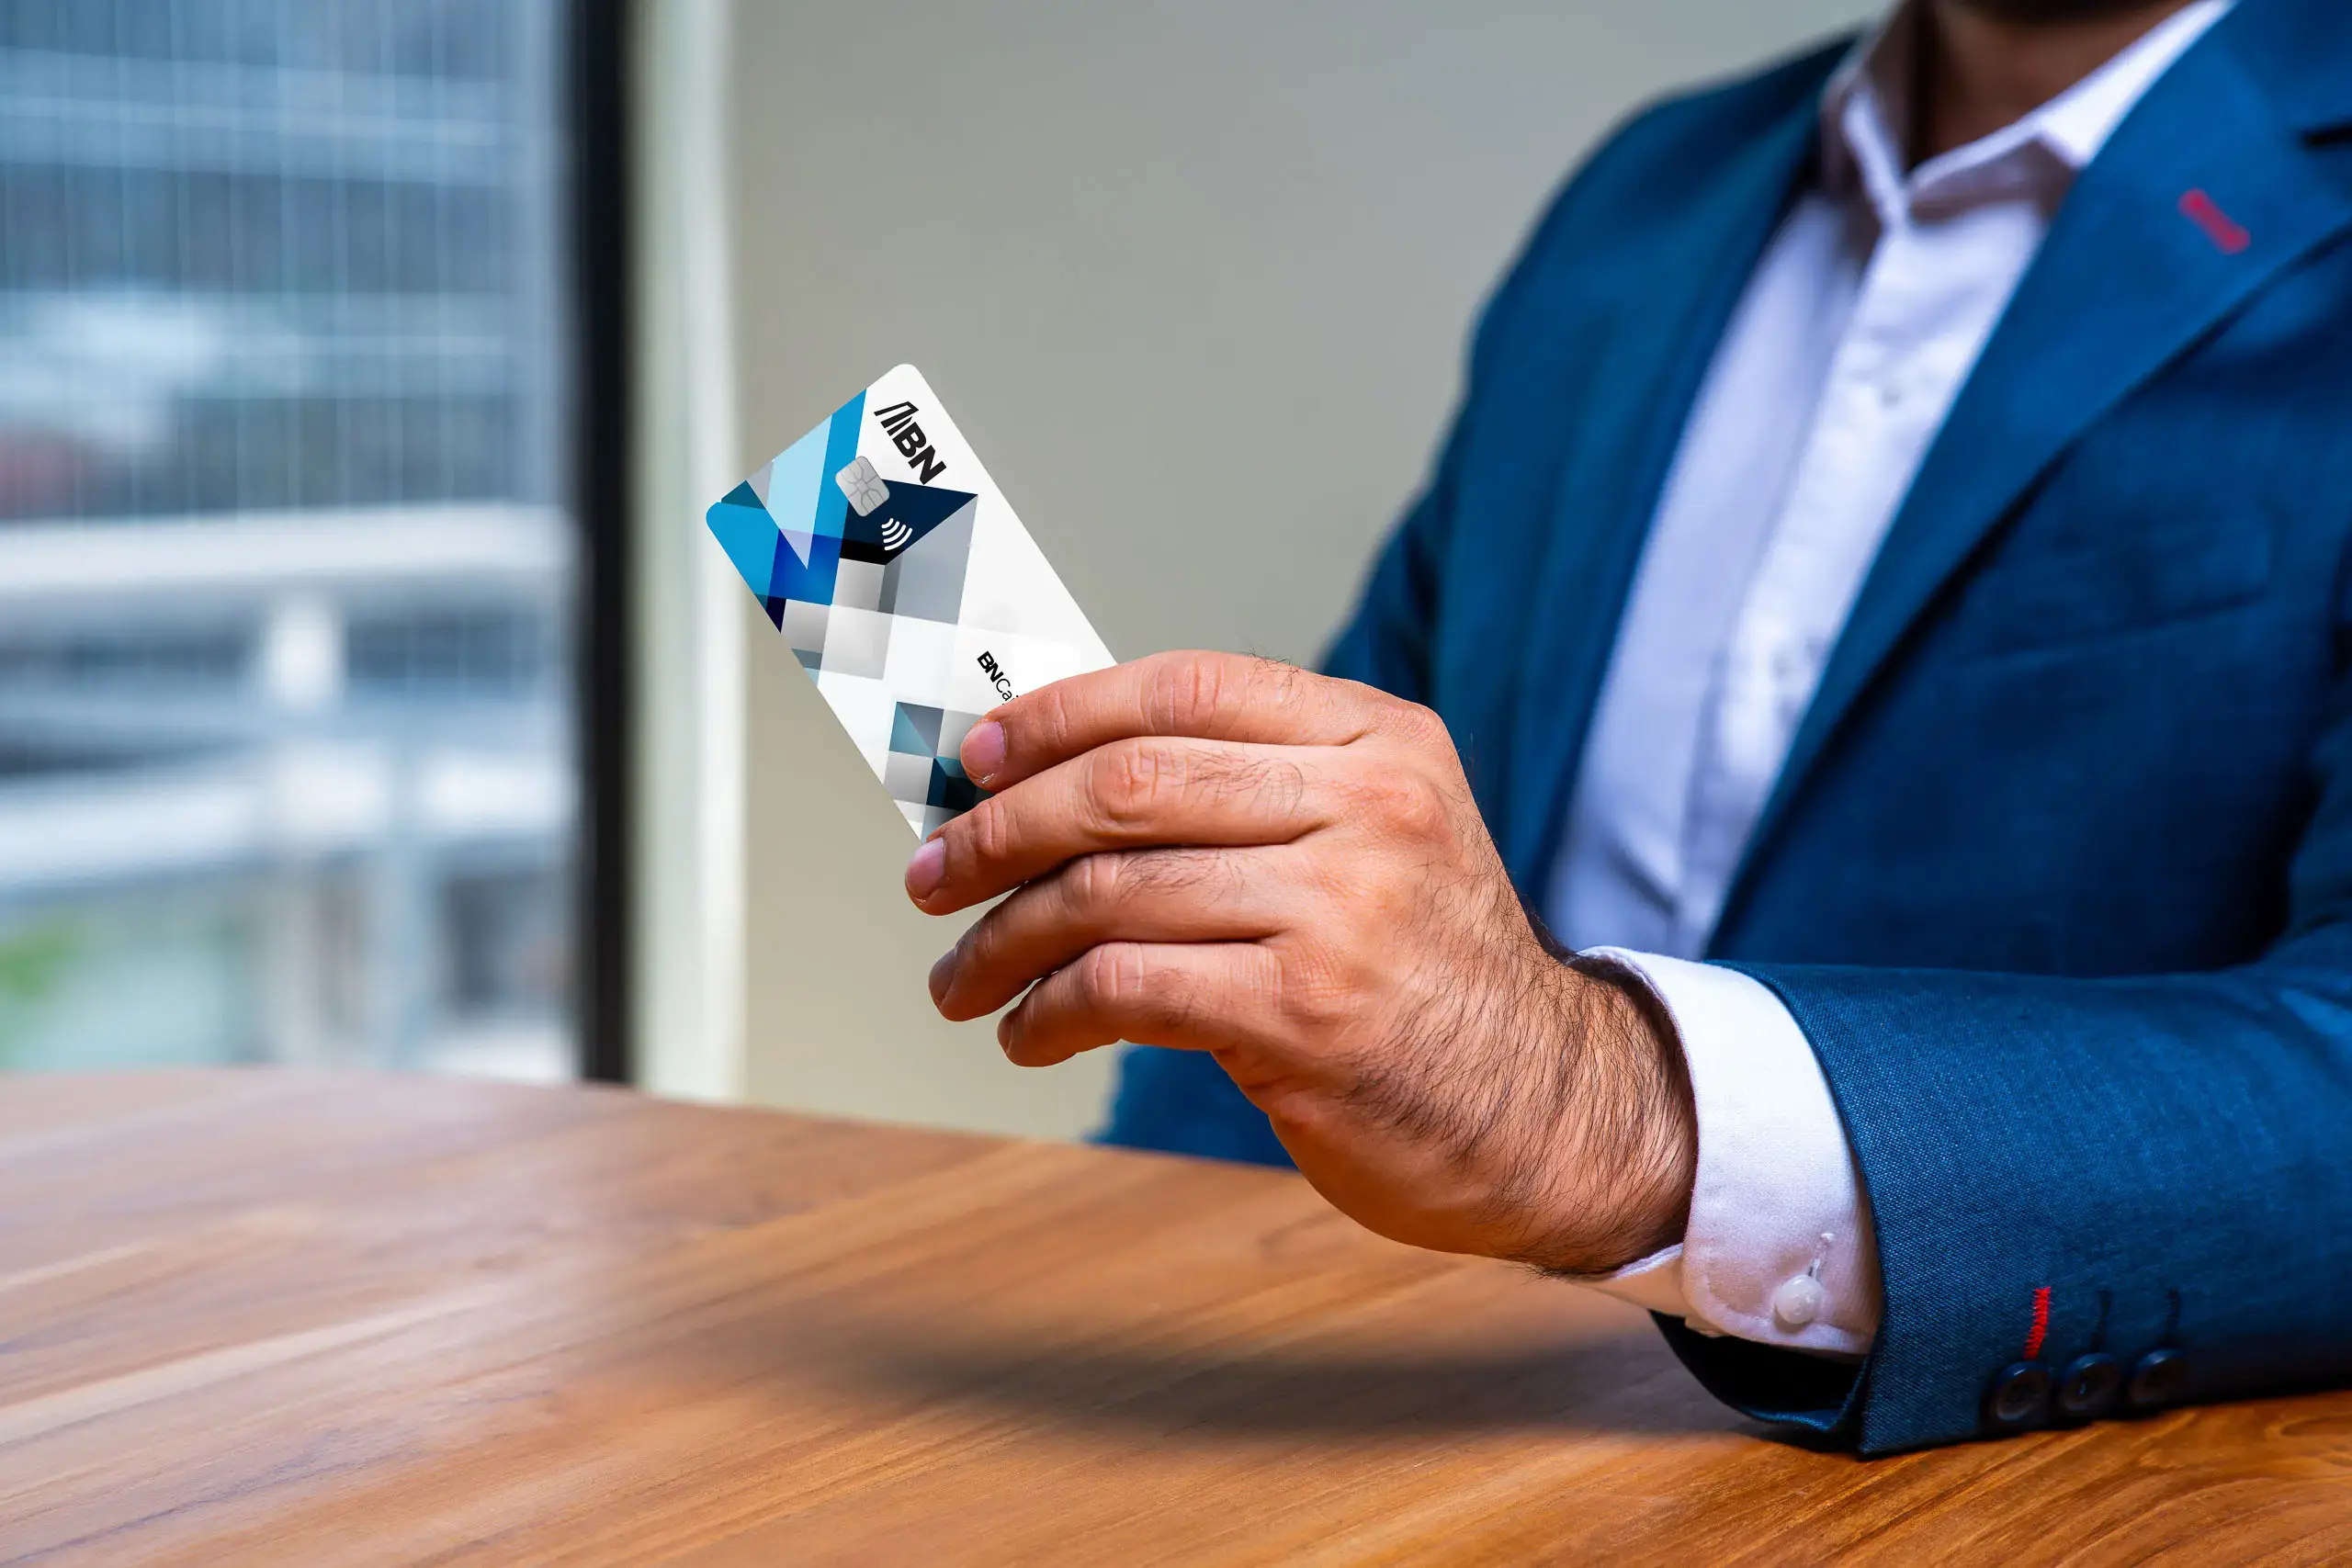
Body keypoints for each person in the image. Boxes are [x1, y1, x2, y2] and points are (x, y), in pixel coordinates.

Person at [903, 0, 2352, 1453]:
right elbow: (1310, 917)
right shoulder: (1649, 201)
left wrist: (1603, 1112)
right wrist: (1109, 1345)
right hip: (1399, 1444)